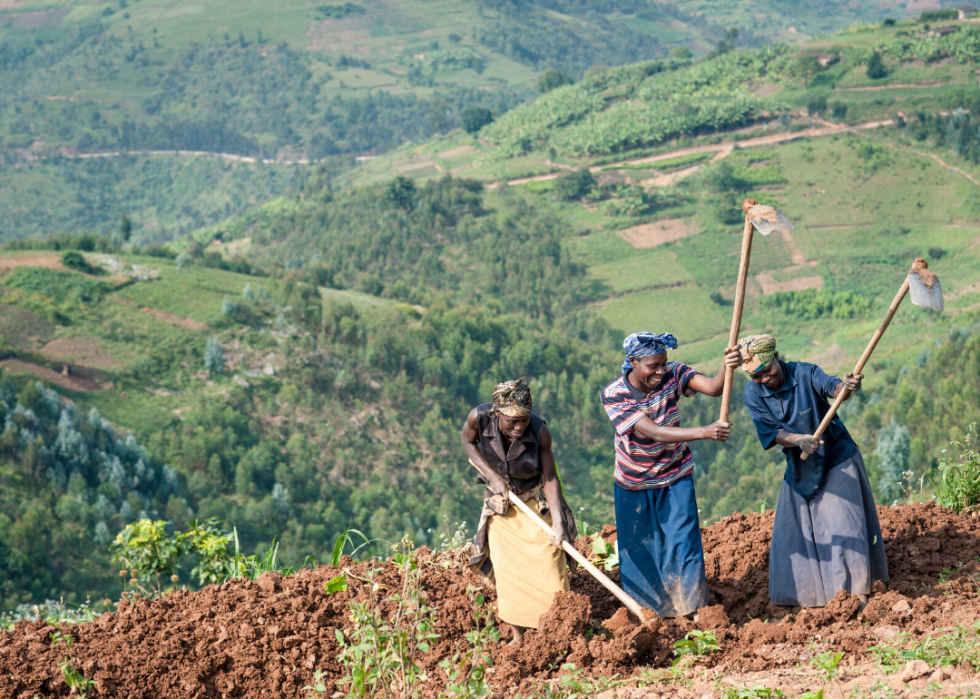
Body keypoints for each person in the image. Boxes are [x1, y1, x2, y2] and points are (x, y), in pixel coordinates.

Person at [738, 334, 888, 607]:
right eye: (756, 376)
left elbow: (834, 387)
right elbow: (771, 433)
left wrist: (847, 386)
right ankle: (803, 597)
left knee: (844, 523)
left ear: (777, 356)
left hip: (836, 456)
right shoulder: (753, 393)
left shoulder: (805, 373)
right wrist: (797, 440)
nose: (764, 379)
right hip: (799, 463)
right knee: (791, 534)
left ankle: (856, 595)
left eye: (767, 370)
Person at [600, 331, 742, 618]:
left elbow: (714, 388)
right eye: (653, 366)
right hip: (633, 482)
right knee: (637, 547)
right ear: (633, 362)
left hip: (675, 474)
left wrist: (727, 367)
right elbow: (653, 432)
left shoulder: (673, 373)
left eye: (663, 363)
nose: (660, 371)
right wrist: (705, 431)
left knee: (685, 542)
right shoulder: (614, 394)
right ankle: (647, 613)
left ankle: (693, 611)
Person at [462, 378, 577, 645]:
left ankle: (558, 631)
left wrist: (559, 522)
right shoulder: (477, 418)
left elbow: (550, 478)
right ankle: (519, 634)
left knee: (550, 561)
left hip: (536, 500)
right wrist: (492, 476)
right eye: (511, 421)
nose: (518, 427)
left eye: (523, 420)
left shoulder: (539, 432)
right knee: (509, 570)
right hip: (502, 506)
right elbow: (467, 442)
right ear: (497, 413)